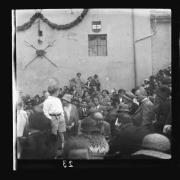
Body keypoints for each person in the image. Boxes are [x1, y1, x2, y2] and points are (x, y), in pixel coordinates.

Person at [43, 84, 66, 149]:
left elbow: (61, 109)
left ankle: (63, 146)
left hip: (60, 117)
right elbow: (45, 112)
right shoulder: (47, 101)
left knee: (61, 133)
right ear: (55, 92)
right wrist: (51, 119)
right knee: (54, 134)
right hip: (53, 118)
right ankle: (54, 148)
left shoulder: (58, 100)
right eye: (58, 91)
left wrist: (62, 116)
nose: (59, 92)